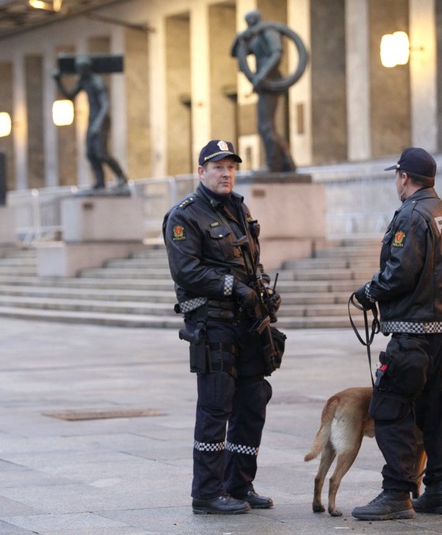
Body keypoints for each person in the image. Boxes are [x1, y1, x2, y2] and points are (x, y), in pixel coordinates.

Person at [350, 147, 442, 521]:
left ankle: (397, 493)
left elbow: (400, 272)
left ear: (404, 177)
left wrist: (369, 292)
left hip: (412, 334)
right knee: (437, 412)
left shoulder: (412, 215)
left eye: (396, 176)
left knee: (388, 407)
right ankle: (439, 490)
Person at [162, 139, 282, 515]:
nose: (226, 173)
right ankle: (207, 492)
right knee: (215, 408)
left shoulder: (239, 209)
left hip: (247, 325)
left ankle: (239, 484)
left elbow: (251, 262)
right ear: (201, 172)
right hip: (212, 325)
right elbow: (187, 271)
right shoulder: (184, 216)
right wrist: (235, 288)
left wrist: (261, 292)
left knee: (252, 403)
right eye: (218, 167)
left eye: (231, 167)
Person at [231, 10, 295, 173]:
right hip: (263, 84)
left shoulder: (269, 31)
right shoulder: (256, 37)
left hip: (271, 81)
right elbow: (235, 52)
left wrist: (262, 74)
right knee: (267, 126)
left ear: (257, 18)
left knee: (265, 126)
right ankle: (286, 162)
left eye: (251, 20)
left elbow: (277, 52)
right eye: (247, 21)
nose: (249, 23)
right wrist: (241, 37)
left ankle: (274, 165)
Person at [53, 55, 127, 190]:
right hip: (92, 119)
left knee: (102, 154)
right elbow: (69, 96)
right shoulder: (84, 81)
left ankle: (121, 177)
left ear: (87, 68)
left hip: (101, 120)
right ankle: (100, 182)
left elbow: (105, 105)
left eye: (81, 69)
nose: (79, 72)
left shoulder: (97, 82)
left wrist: (98, 124)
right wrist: (58, 81)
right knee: (90, 154)